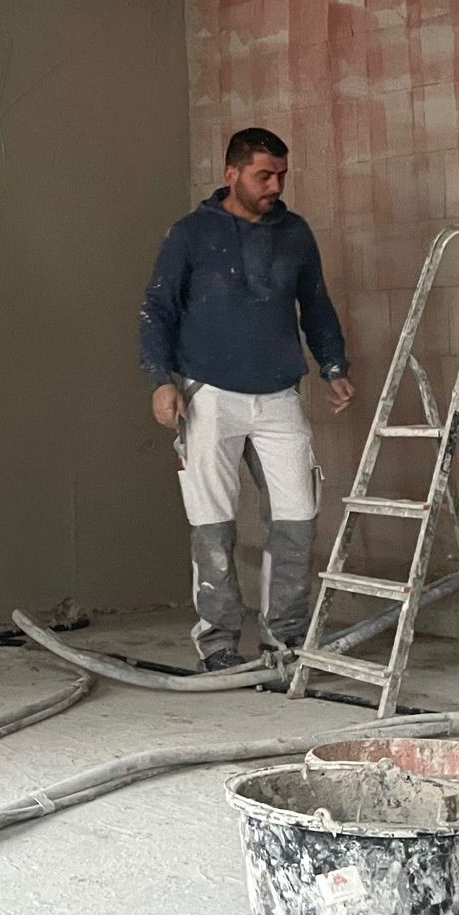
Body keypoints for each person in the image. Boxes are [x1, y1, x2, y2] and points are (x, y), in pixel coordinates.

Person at [138, 126, 356, 670]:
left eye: (281, 175)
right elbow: (158, 308)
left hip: (279, 393)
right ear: (230, 173)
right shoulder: (191, 234)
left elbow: (316, 304)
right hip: (207, 392)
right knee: (212, 523)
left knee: (297, 516)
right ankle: (218, 645)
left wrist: (333, 366)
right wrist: (160, 380)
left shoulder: (295, 233)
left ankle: (286, 642)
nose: (275, 186)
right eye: (264, 176)